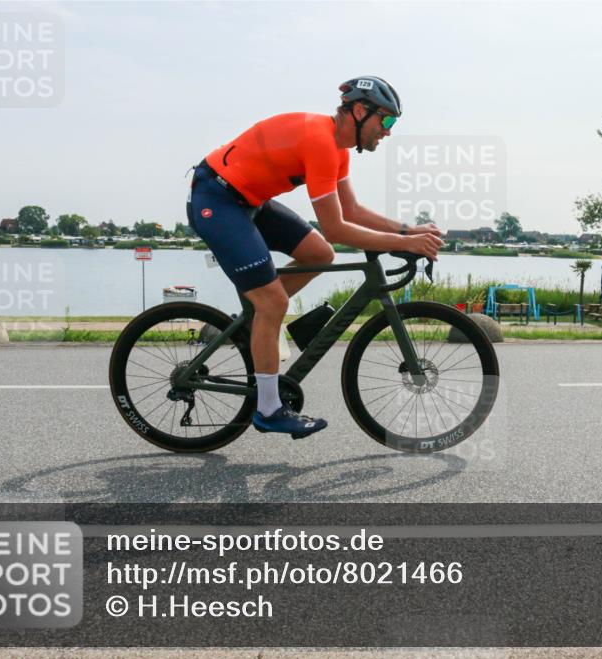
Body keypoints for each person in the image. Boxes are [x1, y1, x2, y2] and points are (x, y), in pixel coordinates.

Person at [186, 77, 443, 439]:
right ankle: (269, 410)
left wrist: (407, 232)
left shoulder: (336, 148)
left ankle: (257, 321)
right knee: (273, 299)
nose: (387, 132)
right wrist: (404, 243)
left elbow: (351, 210)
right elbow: (337, 227)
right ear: (358, 111)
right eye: (385, 121)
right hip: (217, 198)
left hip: (249, 201)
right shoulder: (321, 141)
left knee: (319, 253)